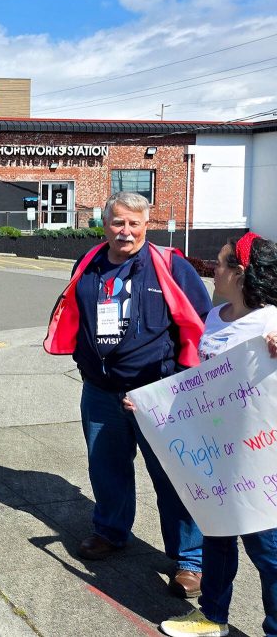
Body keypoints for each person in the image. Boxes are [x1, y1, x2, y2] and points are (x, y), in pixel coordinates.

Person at [44, 191, 212, 597]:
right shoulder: (88, 266)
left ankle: (190, 560)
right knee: (106, 469)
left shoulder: (170, 266)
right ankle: (111, 531)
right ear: (105, 224)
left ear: (146, 225)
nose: (126, 231)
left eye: (134, 224)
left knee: (172, 477)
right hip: (101, 392)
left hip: (159, 396)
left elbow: (206, 324)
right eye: (119, 222)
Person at [149, 233, 277, 637]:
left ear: (241, 273)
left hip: (259, 462)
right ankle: (212, 617)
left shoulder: (272, 320)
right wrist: (153, 403)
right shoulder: (216, 316)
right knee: (217, 539)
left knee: (268, 551)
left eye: (221, 263)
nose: (213, 268)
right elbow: (200, 383)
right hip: (216, 454)